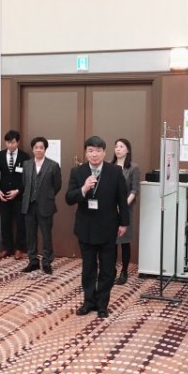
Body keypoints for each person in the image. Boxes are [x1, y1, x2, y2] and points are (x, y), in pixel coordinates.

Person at [66, 136, 129, 319]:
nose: (94, 154)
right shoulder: (77, 172)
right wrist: (84, 189)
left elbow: (122, 199)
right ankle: (88, 302)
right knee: (88, 267)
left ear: (104, 152)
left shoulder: (115, 171)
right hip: (85, 227)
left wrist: (124, 222)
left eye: (98, 151)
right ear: (86, 153)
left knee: (107, 268)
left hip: (108, 226)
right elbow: (69, 198)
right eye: (90, 151)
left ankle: (102, 304)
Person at [21, 137, 62, 274]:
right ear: (32, 149)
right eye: (36, 147)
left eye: (41, 147)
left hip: (45, 204)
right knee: (30, 235)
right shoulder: (26, 164)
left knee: (46, 234)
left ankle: (47, 261)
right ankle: (33, 261)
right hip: (29, 205)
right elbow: (24, 183)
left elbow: (57, 185)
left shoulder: (53, 165)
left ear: (45, 149)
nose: (38, 150)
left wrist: (47, 195)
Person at [0, 130, 30, 260]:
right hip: (3, 195)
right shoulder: (0, 155)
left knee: (20, 222)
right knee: (5, 222)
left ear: (18, 142)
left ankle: (19, 249)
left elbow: (27, 178)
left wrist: (18, 191)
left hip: (19, 195)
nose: (10, 145)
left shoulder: (25, 157)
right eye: (8, 142)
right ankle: (6, 248)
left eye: (13, 142)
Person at [111, 138, 140, 285]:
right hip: (110, 209)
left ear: (127, 150)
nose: (118, 149)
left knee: (124, 241)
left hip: (125, 209)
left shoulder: (133, 168)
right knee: (111, 241)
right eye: (116, 146)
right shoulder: (109, 166)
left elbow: (135, 189)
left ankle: (124, 271)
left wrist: (123, 205)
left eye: (121, 146)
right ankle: (111, 270)